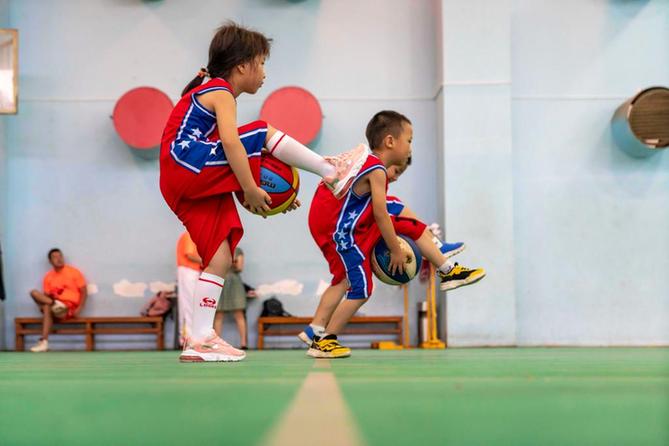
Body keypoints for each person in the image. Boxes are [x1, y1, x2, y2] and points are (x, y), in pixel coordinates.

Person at [159, 22, 368, 362]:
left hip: (180, 179)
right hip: (186, 162)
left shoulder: (209, 91)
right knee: (259, 132)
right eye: (262, 63)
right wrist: (251, 187)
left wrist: (270, 195)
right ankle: (332, 172)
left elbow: (230, 154)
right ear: (242, 65)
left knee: (221, 255)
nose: (264, 73)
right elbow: (230, 143)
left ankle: (199, 339)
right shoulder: (220, 91)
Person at [304, 111, 485, 358]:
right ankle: (324, 340)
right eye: (409, 140)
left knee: (410, 227)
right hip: (344, 233)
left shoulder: (365, 162)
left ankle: (448, 268)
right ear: (390, 141)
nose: (410, 147)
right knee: (362, 287)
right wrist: (396, 249)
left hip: (343, 228)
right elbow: (379, 213)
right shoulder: (376, 169)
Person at [28, 248, 87, 352]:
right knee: (34, 293)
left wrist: (80, 308)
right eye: (55, 257)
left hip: (68, 307)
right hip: (53, 305)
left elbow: (84, 291)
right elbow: (45, 297)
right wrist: (50, 302)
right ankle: (54, 304)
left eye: (60, 256)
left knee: (47, 307)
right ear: (50, 261)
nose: (59, 259)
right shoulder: (48, 277)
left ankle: (44, 342)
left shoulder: (74, 272)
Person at [213, 247, 253, 349]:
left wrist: (231, 263)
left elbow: (239, 267)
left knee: (239, 313)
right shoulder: (216, 249)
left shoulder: (238, 250)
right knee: (218, 314)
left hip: (234, 282)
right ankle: (216, 343)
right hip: (220, 280)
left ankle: (243, 343)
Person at [176, 231, 202, 346]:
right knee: (188, 305)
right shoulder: (189, 235)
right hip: (188, 271)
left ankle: (192, 338)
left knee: (194, 305)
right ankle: (187, 338)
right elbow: (190, 255)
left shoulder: (195, 236)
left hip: (194, 271)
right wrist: (209, 262)